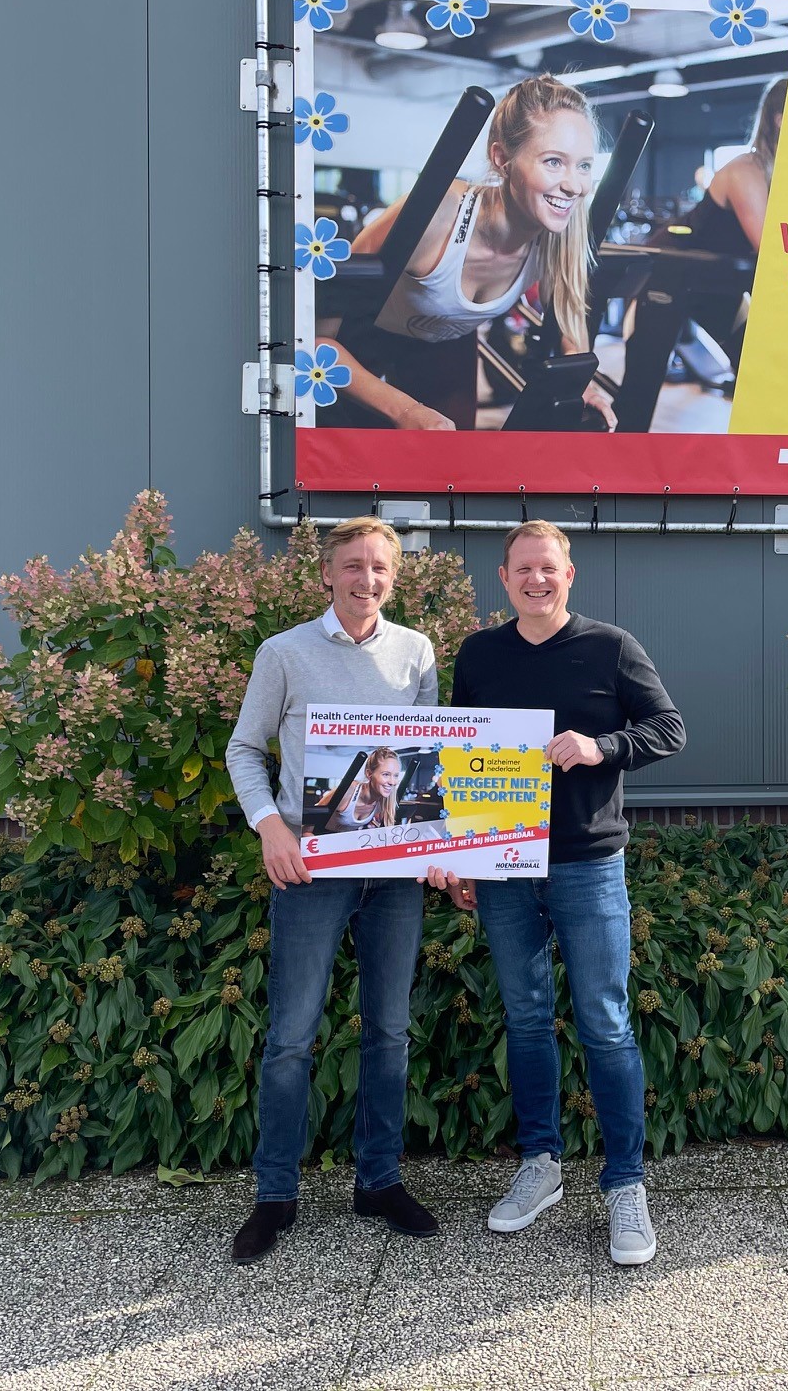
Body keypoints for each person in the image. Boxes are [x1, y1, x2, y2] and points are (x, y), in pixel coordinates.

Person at [428, 521, 685, 1266]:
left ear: (569, 575)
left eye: (549, 568)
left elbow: (669, 728)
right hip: (504, 865)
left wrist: (603, 746)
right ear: (503, 579)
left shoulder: (611, 647)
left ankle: (625, 1184)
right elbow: (458, 757)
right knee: (527, 1019)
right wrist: (460, 855)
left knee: (605, 1023)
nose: (536, 580)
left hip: (587, 863)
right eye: (523, 569)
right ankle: (540, 1165)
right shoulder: (479, 654)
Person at [223, 517, 443, 1264]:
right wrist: (269, 828)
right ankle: (274, 1196)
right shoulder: (283, 652)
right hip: (310, 869)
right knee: (291, 1037)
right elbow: (244, 748)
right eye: (353, 565)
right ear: (326, 574)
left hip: (395, 872)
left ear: (394, 578)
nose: (366, 579)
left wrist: (441, 848)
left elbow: (426, 764)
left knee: (389, 1030)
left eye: (379, 567)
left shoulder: (416, 652)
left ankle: (378, 1182)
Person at [321, 74, 616, 431]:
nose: (574, 186)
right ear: (501, 158)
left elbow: (570, 315)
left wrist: (581, 384)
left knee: (451, 460)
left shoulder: (561, 232)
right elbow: (315, 336)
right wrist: (405, 411)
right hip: (359, 350)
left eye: (584, 165)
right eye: (553, 161)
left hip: (446, 349)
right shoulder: (436, 215)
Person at [615, 77, 786, 431]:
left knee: (763, 375)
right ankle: (618, 459)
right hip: (669, 277)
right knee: (639, 396)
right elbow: (772, 248)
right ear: (780, 119)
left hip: (716, 286)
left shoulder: (785, 175)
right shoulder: (745, 170)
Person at [317, 745, 402, 831]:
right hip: (320, 835)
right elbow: (312, 817)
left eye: (396, 775)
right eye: (386, 774)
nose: (392, 782)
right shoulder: (348, 791)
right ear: (369, 774)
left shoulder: (385, 801)